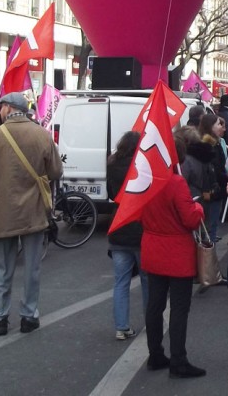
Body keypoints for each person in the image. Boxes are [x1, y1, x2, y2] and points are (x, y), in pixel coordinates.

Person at [0, 92, 62, 336]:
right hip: (34, 211)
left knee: (1, 267)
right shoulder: (41, 135)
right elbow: (56, 171)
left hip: (1, 210)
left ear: (7, 108)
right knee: (32, 268)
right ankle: (29, 315)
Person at [141, 136, 206, 378]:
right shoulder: (176, 182)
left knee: (155, 305)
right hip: (176, 253)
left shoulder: (147, 180)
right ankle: (179, 360)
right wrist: (198, 208)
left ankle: (155, 354)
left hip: (152, 247)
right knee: (179, 308)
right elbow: (190, 218)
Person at [106, 131, 147, 341]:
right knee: (148, 280)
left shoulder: (112, 164)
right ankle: (152, 322)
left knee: (121, 281)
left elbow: (112, 194)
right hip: (140, 226)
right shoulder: (143, 166)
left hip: (119, 224)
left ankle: (121, 326)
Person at [198, 113, 228, 240]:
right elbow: (215, 170)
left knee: (210, 225)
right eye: (218, 124)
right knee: (211, 226)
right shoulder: (209, 146)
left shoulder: (214, 143)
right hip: (213, 191)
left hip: (213, 190)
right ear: (210, 127)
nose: (221, 127)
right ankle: (208, 257)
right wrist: (227, 178)